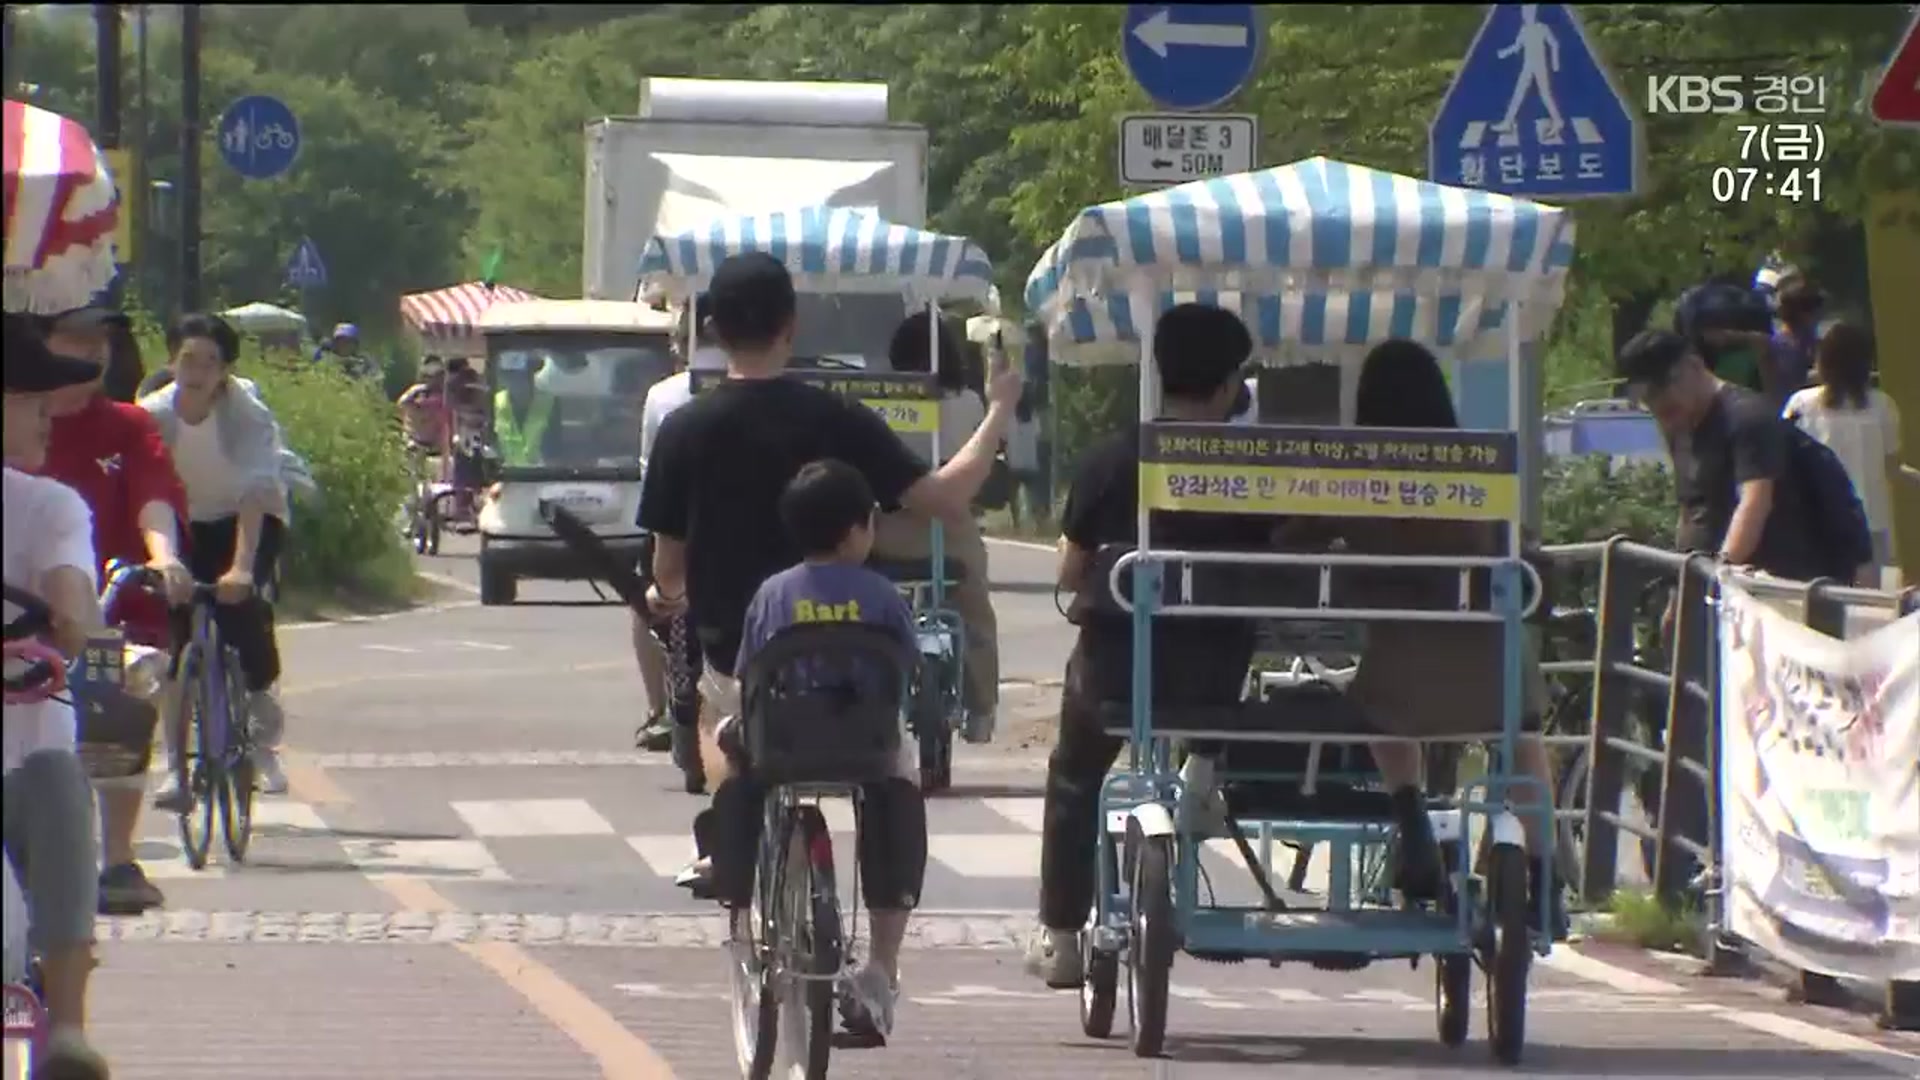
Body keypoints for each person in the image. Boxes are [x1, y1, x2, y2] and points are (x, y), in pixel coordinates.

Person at [638, 251, 1019, 1035]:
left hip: (739, 656)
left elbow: (668, 569)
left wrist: (665, 598)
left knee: (723, 725)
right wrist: (1000, 409)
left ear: (710, 328)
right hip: (850, 672)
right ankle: (881, 968)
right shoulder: (835, 418)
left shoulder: (684, 428)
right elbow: (945, 496)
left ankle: (731, 857)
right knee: (892, 777)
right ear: (791, 325)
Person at [1026, 304, 1299, 985]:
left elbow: (1068, 568)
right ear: (1230, 384)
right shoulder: (1256, 471)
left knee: (1076, 773)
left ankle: (1061, 933)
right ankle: (1202, 772)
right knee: (1226, 649)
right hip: (1213, 680)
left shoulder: (1113, 460)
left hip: (1117, 677)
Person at [1335, 339, 1567, 936]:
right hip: (1490, 666)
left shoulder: (1355, 471)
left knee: (1379, 710)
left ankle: (1409, 811)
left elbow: (1302, 535)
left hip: (1403, 665)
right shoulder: (1479, 466)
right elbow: (1521, 548)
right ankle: (1546, 878)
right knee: (1521, 735)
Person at [710, 459, 928, 1045]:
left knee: (728, 745)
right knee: (899, 787)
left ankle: (731, 870)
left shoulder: (771, 595)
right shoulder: (882, 595)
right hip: (867, 748)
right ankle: (882, 964)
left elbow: (745, 680)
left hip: (782, 745)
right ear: (860, 529)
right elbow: (911, 670)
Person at [1617, 328, 1823, 887]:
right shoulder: (1687, 427)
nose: (1665, 417)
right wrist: (1683, 592)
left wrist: (1719, 575)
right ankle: (1700, 872)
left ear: (1689, 368)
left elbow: (1754, 500)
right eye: (1652, 409)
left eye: (1665, 402)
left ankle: (1747, 873)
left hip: (1759, 604)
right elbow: (1695, 509)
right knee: (1698, 732)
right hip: (1708, 597)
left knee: (1752, 739)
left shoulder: (1748, 418)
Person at [32, 305, 193, 916]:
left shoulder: (126, 426)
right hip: (22, 615)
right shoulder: (22, 422)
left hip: (98, 613)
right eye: (75, 337)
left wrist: (164, 557)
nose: (92, 351)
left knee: (114, 707)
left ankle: (116, 857)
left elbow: (154, 496)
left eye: (100, 340)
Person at [3, 315, 116, 1078]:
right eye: (32, 396)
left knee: (55, 777)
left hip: (27, 746)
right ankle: (54, 1022)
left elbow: (72, 603)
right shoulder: (49, 503)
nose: (50, 410)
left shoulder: (50, 505)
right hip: (27, 747)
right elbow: (73, 605)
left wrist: (64, 621)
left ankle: (66, 1029)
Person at [140, 313, 294, 796]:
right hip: (182, 524)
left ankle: (260, 723)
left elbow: (254, 492)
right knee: (173, 642)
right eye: (188, 359)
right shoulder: (150, 416)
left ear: (225, 370)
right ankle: (174, 766)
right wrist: (164, 560)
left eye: (210, 362)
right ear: (171, 361)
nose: (197, 371)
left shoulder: (248, 414)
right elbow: (149, 494)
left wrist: (242, 567)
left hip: (245, 519)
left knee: (241, 607)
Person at [874, 311, 1001, 742]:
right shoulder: (969, 403)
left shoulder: (881, 403)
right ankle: (982, 710)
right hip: (949, 531)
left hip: (886, 532)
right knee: (975, 614)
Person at [631, 297, 728, 777]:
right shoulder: (782, 391)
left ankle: (658, 709)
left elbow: (651, 474)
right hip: (749, 529)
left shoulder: (664, 396)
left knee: (649, 603)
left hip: (680, 531)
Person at [1784, 323, 1902, 584]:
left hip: (1819, 522)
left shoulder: (1801, 405)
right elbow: (1892, 467)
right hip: (1872, 521)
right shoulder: (1883, 406)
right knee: (1872, 606)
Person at [1005, 390, 1045, 529]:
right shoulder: (1034, 418)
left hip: (1014, 464)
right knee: (1035, 496)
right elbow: (1038, 436)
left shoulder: (1009, 418)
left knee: (1013, 497)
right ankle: (1040, 523)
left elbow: (1003, 437)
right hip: (1030, 463)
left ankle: (1017, 523)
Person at [315, 321, 379, 381]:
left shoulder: (364, 359)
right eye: (339, 341)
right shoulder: (326, 352)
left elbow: (375, 375)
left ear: (355, 345)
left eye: (347, 342)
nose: (343, 345)